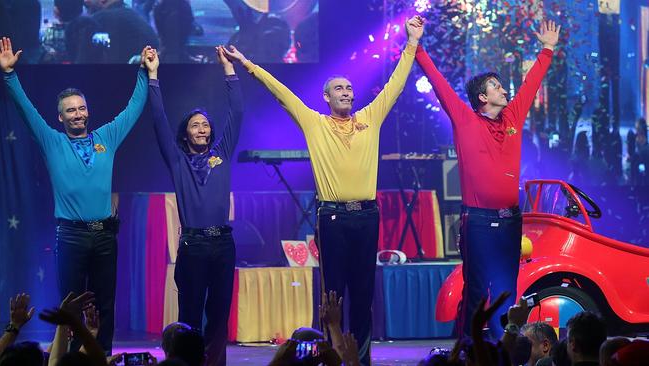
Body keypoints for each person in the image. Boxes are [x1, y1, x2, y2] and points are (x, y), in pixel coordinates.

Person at [222, 16, 424, 365]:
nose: (347, 92)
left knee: (363, 295)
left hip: (366, 216)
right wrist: (248, 65)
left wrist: (412, 42)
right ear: (326, 96)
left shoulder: (370, 118)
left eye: (349, 88)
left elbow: (396, 84)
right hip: (333, 218)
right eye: (339, 89)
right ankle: (327, 358)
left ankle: (359, 359)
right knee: (333, 296)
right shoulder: (314, 123)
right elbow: (281, 93)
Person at [0, 37, 152, 353]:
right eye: (71, 110)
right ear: (61, 117)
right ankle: (69, 358)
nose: (78, 114)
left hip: (104, 235)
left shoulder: (106, 137)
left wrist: (144, 72)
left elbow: (134, 108)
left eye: (82, 108)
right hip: (70, 236)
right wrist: (10, 75)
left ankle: (103, 355)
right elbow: (26, 111)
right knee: (70, 304)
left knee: (104, 303)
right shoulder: (52, 141)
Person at [415, 20, 561, 339]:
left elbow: (531, 84)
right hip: (478, 222)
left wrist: (547, 49)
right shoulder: (465, 119)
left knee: (507, 288)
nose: (504, 89)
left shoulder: (512, 118)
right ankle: (468, 349)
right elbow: (438, 83)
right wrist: (418, 46)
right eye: (496, 86)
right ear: (482, 96)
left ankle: (505, 348)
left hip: (510, 221)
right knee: (478, 289)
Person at [146, 44, 243, 366]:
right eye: (195, 125)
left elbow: (237, 112)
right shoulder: (177, 161)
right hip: (193, 245)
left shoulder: (222, 154)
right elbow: (159, 121)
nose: (202, 129)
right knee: (189, 316)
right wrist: (153, 75)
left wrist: (228, 70)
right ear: (185, 134)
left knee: (218, 315)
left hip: (223, 244)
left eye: (205, 125)